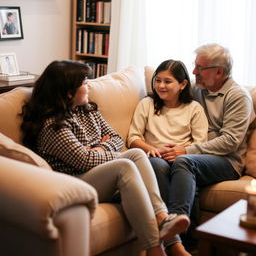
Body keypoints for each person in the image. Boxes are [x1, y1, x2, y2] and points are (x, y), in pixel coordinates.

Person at [20, 60, 190, 256]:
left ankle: (166, 228)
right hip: (75, 182)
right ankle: (156, 248)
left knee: (135, 153)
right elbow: (84, 160)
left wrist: (97, 148)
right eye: (84, 82)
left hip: (96, 173)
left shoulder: (88, 110)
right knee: (124, 166)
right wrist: (101, 148)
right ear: (68, 92)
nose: (89, 85)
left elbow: (116, 138)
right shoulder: (53, 126)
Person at [148, 44, 255, 252]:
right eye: (194, 66)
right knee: (165, 166)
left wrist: (187, 150)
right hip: (202, 159)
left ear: (219, 72)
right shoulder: (198, 90)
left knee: (184, 162)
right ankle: (189, 245)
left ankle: (174, 225)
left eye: (200, 67)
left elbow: (230, 141)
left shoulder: (238, 96)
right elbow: (170, 91)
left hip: (227, 161)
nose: (194, 72)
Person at [127, 59, 208, 253]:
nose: (161, 86)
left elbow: (200, 142)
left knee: (184, 170)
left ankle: (176, 240)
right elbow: (133, 137)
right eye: (158, 80)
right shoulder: (147, 104)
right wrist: (149, 148)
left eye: (168, 81)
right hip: (154, 157)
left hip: (182, 158)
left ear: (183, 84)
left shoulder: (194, 108)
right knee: (158, 165)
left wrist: (181, 150)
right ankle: (181, 243)